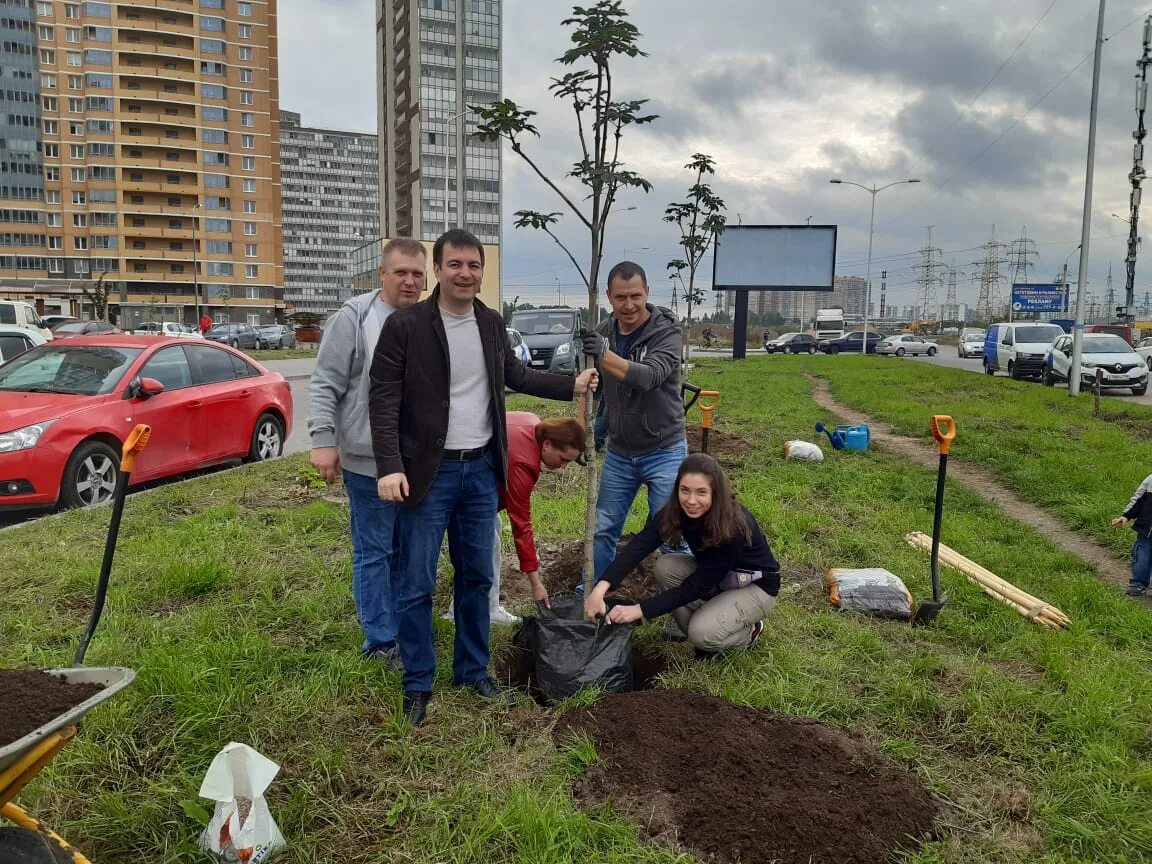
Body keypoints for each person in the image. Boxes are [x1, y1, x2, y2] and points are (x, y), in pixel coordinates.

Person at [370, 228, 598, 726]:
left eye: (474, 266)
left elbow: (516, 378)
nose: (466, 273)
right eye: (456, 265)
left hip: (479, 472)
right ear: (437, 270)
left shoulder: (492, 325)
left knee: (477, 577)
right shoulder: (406, 328)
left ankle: (472, 670)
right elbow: (383, 400)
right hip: (428, 474)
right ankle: (417, 682)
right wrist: (389, 466)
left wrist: (571, 384)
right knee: (416, 582)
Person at [308, 237, 427, 669]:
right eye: (400, 273)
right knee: (374, 550)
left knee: (406, 550)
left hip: (417, 462)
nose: (410, 282)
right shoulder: (355, 318)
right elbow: (325, 382)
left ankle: (399, 625)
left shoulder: (431, 320)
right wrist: (323, 440)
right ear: (382, 275)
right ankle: (380, 640)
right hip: (367, 458)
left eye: (417, 274)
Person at [583, 453, 779, 658]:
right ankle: (710, 628)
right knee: (666, 566)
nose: (691, 500)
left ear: (716, 493)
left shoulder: (733, 527)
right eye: (684, 490)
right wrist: (601, 587)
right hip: (720, 580)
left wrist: (640, 610)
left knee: (701, 634)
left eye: (701, 492)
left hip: (754, 586)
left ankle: (749, 632)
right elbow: (641, 544)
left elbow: (696, 587)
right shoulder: (676, 511)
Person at [579, 261, 687, 585]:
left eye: (635, 296)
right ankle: (592, 593)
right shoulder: (603, 333)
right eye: (621, 297)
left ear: (647, 293)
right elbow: (598, 393)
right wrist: (593, 435)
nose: (629, 305)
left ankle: (680, 603)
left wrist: (604, 354)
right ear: (609, 297)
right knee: (603, 529)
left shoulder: (666, 332)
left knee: (672, 531)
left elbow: (649, 376)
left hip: (664, 449)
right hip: (620, 454)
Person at [445, 413, 587, 621]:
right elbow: (521, 526)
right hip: (458, 492)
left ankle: (488, 607)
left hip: (468, 480)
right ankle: (460, 612)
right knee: (484, 546)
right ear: (547, 444)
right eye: (563, 459)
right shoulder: (522, 463)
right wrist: (536, 584)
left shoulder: (531, 421)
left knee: (493, 531)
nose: (563, 467)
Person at [1111, 471, 1152, 596]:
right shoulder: (1150, 480)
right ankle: (1138, 583)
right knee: (1141, 557)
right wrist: (1126, 516)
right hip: (1146, 530)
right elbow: (1138, 500)